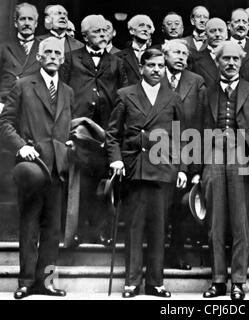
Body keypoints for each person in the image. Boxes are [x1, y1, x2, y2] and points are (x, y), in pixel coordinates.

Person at [106, 48, 188, 298]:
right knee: (134, 227)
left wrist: (182, 169)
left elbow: (182, 138)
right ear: (141, 67)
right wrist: (116, 161)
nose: (156, 70)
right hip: (135, 169)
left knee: (158, 228)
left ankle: (155, 282)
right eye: (151, 65)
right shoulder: (125, 94)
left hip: (162, 170)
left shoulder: (172, 98)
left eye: (160, 66)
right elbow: (112, 135)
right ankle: (131, 282)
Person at [193, 41, 249, 300]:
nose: (230, 63)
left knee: (241, 223)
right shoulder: (207, 93)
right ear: (217, 63)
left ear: (241, 62)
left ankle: (238, 281)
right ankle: (217, 280)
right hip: (214, 159)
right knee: (215, 224)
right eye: (225, 59)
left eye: (235, 59)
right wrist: (197, 168)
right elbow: (198, 131)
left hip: (244, 159)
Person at [0, 37, 73, 299]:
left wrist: (69, 143)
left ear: (63, 59)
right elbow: (5, 122)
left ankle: (48, 282)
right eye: (48, 52)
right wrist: (20, 146)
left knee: (53, 229)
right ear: (39, 57)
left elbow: (64, 125)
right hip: (32, 165)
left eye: (58, 53)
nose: (54, 56)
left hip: (58, 166)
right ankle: (26, 281)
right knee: (29, 224)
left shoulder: (67, 91)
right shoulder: (23, 85)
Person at [61, 14, 128, 246]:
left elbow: (125, 94)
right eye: (96, 31)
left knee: (104, 180)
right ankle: (78, 231)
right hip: (79, 129)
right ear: (84, 35)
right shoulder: (70, 59)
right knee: (81, 182)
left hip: (107, 129)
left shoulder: (118, 61)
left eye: (104, 31)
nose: (102, 34)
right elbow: (62, 91)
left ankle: (102, 231)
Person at [162, 39, 206, 270]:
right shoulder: (154, 78)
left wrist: (195, 167)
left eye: (184, 53)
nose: (180, 57)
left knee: (180, 209)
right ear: (164, 55)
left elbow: (200, 125)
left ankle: (176, 254)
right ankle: (156, 257)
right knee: (159, 208)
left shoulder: (196, 82)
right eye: (175, 52)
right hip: (158, 153)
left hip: (187, 152)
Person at [0, 3, 41, 106]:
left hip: (33, 104)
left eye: (30, 19)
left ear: (36, 23)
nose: (26, 23)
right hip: (6, 103)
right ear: (15, 23)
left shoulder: (43, 49)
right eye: (22, 19)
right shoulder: (3, 48)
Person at [117, 15, 155, 85]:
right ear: (132, 31)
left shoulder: (156, 56)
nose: (145, 29)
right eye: (141, 25)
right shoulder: (118, 56)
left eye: (148, 27)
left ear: (150, 34)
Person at [190, 18, 227, 89]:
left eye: (221, 30)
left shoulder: (236, 58)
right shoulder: (195, 60)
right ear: (206, 35)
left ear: (227, 34)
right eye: (213, 31)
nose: (217, 34)